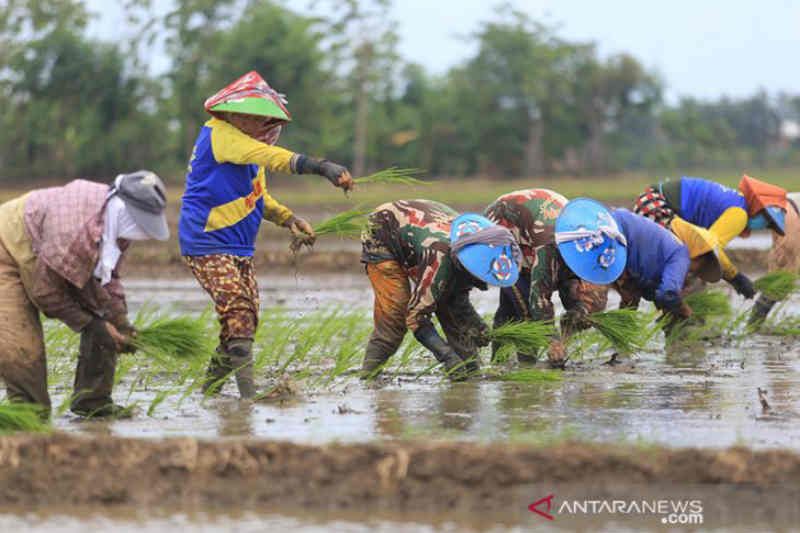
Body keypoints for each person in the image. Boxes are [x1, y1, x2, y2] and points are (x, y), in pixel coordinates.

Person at [179, 71, 353, 399]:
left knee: (245, 320)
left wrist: (289, 219)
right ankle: (249, 397)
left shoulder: (249, 150)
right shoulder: (220, 135)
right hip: (206, 241)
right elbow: (274, 158)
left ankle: (210, 392)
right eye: (251, 117)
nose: (260, 126)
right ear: (231, 114)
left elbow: (259, 196)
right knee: (239, 313)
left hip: (239, 246)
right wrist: (322, 167)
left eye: (264, 120)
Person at [0, 172, 169, 417]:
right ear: (126, 210)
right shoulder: (76, 231)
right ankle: (26, 420)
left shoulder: (117, 227)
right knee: (22, 350)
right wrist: (91, 324)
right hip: (7, 249)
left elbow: (109, 280)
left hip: (47, 252)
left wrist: (120, 322)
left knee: (108, 324)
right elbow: (46, 293)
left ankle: (93, 402)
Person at [360, 199, 521, 379]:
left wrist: (478, 327)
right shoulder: (439, 259)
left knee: (466, 358)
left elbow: (457, 300)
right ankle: (368, 376)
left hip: (425, 226)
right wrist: (446, 356)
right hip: (383, 230)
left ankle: (468, 374)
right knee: (395, 317)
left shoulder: (478, 248)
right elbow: (415, 316)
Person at [555, 199, 723, 332]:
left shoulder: (668, 246)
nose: (692, 273)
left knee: (628, 307)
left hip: (611, 227)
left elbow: (645, 289)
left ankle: (619, 344)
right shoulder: (681, 254)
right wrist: (686, 312)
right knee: (593, 303)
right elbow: (668, 293)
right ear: (699, 257)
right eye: (699, 269)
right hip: (614, 238)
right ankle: (568, 330)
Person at [484, 188, 608, 367]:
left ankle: (499, 366)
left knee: (509, 308)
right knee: (525, 309)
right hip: (503, 233)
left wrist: (579, 311)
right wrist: (554, 340)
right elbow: (539, 298)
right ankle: (525, 366)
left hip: (533, 232)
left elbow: (571, 282)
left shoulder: (585, 244)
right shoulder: (549, 246)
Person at [633, 175, 788, 299]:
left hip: (652, 202)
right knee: (685, 270)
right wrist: (736, 278)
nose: (765, 226)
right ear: (758, 210)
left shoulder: (734, 201)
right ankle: (682, 325)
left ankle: (683, 323)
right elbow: (710, 247)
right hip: (656, 206)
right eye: (768, 221)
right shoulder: (739, 214)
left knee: (693, 266)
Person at [750, 191, 800, 324]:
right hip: (791, 214)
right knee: (783, 278)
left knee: (778, 273)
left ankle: (754, 323)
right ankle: (754, 322)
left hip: (783, 209)